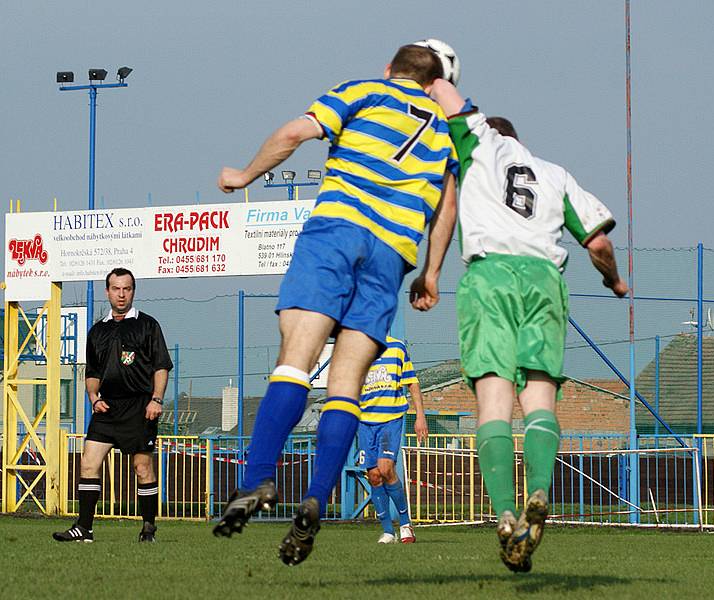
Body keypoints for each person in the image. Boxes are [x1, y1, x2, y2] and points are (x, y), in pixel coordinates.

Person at [212, 43, 458, 567]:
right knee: (346, 384)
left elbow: (294, 133)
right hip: (391, 255)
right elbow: (447, 206)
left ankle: (256, 480)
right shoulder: (443, 130)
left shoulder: (364, 90)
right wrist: (431, 273)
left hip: (336, 233)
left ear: (390, 70)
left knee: (295, 361)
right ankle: (318, 497)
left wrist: (245, 175)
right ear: (434, 82)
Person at [410, 79, 629, 572]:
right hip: (544, 280)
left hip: (489, 278)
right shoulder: (554, 174)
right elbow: (598, 245)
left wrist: (422, 75)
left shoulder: (477, 153)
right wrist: (614, 282)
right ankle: (539, 492)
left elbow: (448, 97)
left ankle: (506, 513)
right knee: (538, 402)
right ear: (522, 143)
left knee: (493, 402)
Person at [53, 268, 173, 543]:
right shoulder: (98, 331)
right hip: (107, 409)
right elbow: (92, 374)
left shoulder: (147, 325)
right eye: (116, 289)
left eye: (127, 289)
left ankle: (148, 528)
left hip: (139, 407)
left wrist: (156, 399)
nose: (121, 294)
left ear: (133, 291)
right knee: (88, 464)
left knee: (142, 468)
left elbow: (161, 366)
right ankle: (84, 528)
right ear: (108, 292)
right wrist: (94, 398)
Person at [357, 336, 427, 544]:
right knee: (374, 476)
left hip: (390, 420)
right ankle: (388, 531)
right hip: (364, 422)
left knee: (386, 468)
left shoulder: (396, 348)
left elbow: (412, 383)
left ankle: (405, 524)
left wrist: (420, 417)